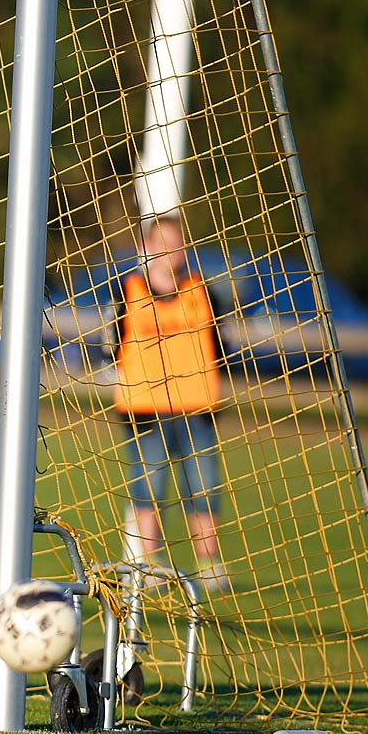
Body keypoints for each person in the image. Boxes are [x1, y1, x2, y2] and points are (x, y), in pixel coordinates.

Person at [112, 215, 231, 593]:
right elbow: (114, 343)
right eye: (161, 244)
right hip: (145, 407)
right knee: (149, 487)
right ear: (147, 248)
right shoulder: (128, 290)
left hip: (196, 405)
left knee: (203, 486)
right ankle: (149, 564)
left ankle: (209, 564)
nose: (169, 252)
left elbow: (222, 344)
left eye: (175, 244)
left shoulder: (203, 290)